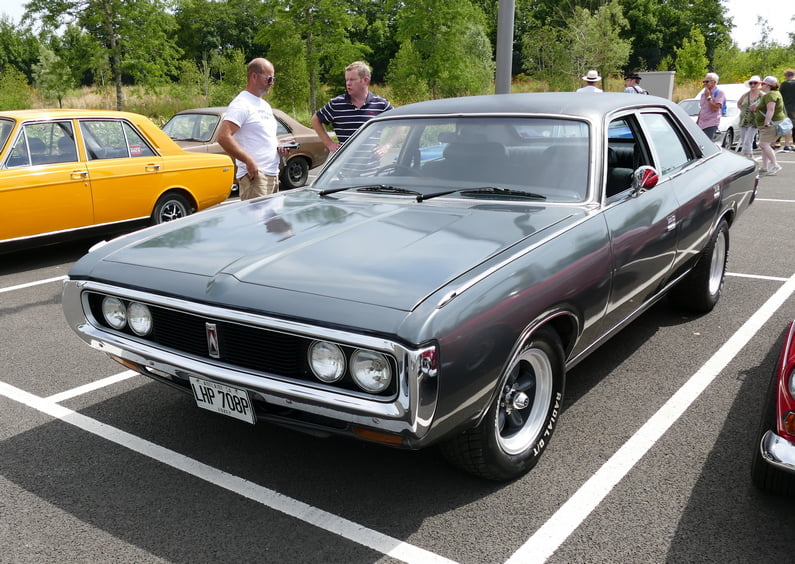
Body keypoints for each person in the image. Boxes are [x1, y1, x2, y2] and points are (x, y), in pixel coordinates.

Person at [217, 57, 290, 200]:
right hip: (255, 177)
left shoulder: (265, 105)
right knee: (257, 215)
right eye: (269, 79)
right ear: (254, 76)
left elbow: (264, 137)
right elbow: (223, 137)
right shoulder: (241, 104)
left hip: (272, 174)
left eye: (273, 79)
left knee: (273, 215)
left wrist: (280, 147)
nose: (272, 83)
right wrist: (248, 160)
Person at [311, 61, 393, 154]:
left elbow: (400, 125)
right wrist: (329, 143)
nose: (348, 83)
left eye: (352, 80)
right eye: (347, 80)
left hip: (372, 163)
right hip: (344, 162)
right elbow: (315, 120)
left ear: (365, 80)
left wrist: (387, 145)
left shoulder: (381, 104)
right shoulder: (336, 104)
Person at [755, 75, 786, 176]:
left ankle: (774, 164)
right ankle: (765, 166)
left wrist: (766, 122)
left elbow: (771, 109)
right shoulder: (775, 93)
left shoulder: (770, 95)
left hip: (771, 124)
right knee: (765, 145)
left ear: (768, 85)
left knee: (763, 144)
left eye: (763, 84)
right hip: (775, 122)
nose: (761, 86)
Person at [737, 75, 763, 158]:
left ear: (758, 84)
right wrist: (743, 110)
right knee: (744, 140)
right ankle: (750, 156)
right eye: (751, 83)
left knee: (748, 140)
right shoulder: (745, 95)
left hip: (754, 121)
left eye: (755, 83)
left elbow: (766, 107)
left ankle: (746, 156)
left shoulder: (762, 95)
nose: (753, 85)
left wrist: (757, 109)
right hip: (744, 120)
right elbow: (739, 103)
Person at [696, 72, 726, 141]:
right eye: (704, 82)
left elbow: (715, 108)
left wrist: (709, 97)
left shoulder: (719, 92)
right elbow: (702, 108)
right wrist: (697, 122)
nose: (705, 83)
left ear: (714, 82)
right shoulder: (703, 93)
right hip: (701, 124)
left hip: (711, 123)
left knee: (707, 143)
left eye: (707, 81)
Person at [779, 68, 795, 152]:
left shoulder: (784, 84)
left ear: (786, 76)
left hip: (785, 108)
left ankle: (782, 142)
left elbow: (779, 95)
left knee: (786, 125)